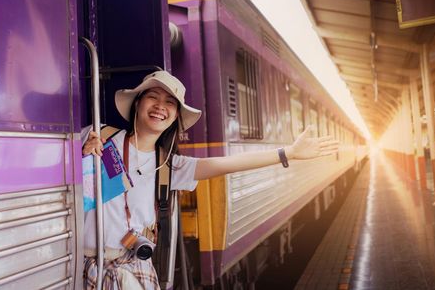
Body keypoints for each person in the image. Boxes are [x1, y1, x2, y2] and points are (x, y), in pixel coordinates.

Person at [81, 70, 339, 289]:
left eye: (170, 103)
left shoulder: (170, 167)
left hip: (132, 271)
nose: (161, 106)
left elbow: (226, 164)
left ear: (175, 116)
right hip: (82, 266)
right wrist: (78, 155)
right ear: (138, 103)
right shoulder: (98, 136)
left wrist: (288, 153)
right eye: (152, 97)